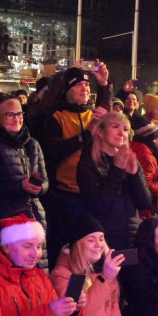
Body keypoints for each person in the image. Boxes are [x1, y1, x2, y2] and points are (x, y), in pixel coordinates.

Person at [39, 63, 111, 255]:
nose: (85, 88)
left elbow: (107, 117)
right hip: (64, 195)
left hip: (91, 194)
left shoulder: (92, 115)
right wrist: (87, 135)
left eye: (87, 85)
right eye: (78, 84)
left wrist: (103, 85)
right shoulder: (57, 117)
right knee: (65, 248)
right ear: (67, 90)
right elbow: (53, 151)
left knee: (91, 250)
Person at [0, 93, 48, 258]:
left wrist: (39, 188)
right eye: (10, 114)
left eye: (19, 114)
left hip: (34, 215)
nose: (16, 118)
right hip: (4, 221)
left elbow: (46, 180)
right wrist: (19, 186)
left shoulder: (32, 144)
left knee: (35, 269)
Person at [77, 112, 151, 250]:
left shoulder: (130, 160)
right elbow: (98, 206)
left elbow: (144, 203)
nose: (121, 133)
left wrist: (134, 175)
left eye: (125, 129)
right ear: (100, 132)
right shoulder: (89, 163)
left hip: (131, 236)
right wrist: (117, 169)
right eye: (115, 126)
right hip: (103, 239)